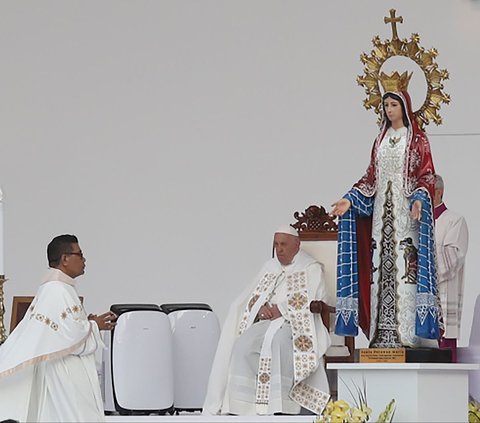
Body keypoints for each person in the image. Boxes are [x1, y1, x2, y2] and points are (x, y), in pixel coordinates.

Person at [331, 71, 441, 348]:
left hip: (406, 214)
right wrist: (351, 198)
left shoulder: (417, 139)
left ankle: (408, 333)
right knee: (381, 268)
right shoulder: (380, 140)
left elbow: (426, 175)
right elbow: (370, 177)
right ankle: (383, 332)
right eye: (385, 105)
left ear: (404, 106)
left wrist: (419, 198)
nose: (389, 110)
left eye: (393, 105)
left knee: (407, 269)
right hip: (382, 212)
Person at [203, 226, 331, 416]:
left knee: (278, 343)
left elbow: (312, 297)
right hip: (267, 322)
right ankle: (243, 406)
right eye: (276, 244)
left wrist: (280, 309)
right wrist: (259, 307)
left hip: (295, 323)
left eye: (284, 244)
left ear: (297, 245)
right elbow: (251, 295)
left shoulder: (310, 268)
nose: (279, 249)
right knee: (242, 345)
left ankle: (282, 405)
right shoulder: (270, 267)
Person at [0, 234, 117, 422]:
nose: (84, 259)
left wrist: (89, 323)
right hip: (63, 373)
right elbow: (71, 337)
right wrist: (95, 326)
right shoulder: (56, 289)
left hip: (63, 368)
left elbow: (66, 329)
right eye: (80, 254)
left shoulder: (59, 288)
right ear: (64, 259)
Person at [434, 174, 469, 362]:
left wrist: (422, 267)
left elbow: (453, 257)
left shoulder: (454, 221)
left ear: (439, 192)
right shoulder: (414, 223)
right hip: (416, 299)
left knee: (442, 358)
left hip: (442, 296)